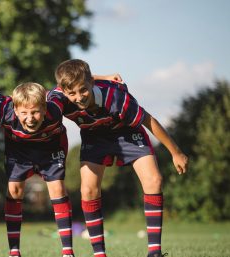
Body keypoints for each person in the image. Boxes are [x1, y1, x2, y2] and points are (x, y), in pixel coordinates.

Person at [48, 59, 189, 257]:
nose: (79, 97)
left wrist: (176, 152)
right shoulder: (59, 98)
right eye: (72, 93)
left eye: (83, 90)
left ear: (91, 83)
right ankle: (99, 254)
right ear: (63, 91)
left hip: (127, 132)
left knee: (154, 181)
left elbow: (150, 121)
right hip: (95, 136)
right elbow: (38, 102)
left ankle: (155, 252)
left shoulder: (115, 97)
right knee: (87, 190)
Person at [0, 82, 75, 257]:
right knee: (14, 190)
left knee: (58, 188)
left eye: (35, 111)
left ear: (44, 108)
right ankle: (14, 250)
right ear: (15, 110)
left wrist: (104, 77)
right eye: (24, 113)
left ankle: (68, 251)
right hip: (19, 152)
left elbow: (70, 81)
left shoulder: (56, 105)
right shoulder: (5, 107)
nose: (30, 118)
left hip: (50, 149)